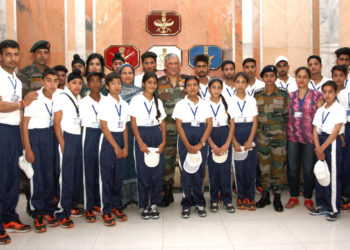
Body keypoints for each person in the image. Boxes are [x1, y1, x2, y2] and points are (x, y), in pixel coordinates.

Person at [0, 39, 37, 245]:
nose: (13, 58)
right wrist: (23, 102)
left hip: (14, 130)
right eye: (8, 54)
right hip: (2, 129)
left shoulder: (14, 78)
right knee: (2, 177)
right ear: (0, 56)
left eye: (16, 54)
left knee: (13, 177)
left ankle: (8, 217)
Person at [22, 68, 60, 232]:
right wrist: (28, 148)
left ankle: (49, 209)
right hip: (35, 136)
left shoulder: (58, 97)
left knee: (50, 174)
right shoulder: (35, 98)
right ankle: (37, 212)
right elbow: (24, 125)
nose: (52, 84)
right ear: (43, 82)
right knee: (36, 176)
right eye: (49, 80)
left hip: (49, 135)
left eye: (55, 81)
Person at [172, 76, 213, 218]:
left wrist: (201, 143)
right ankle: (186, 204)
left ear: (198, 87)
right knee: (186, 172)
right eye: (189, 85)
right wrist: (188, 145)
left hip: (201, 138)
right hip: (185, 138)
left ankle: (199, 202)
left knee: (199, 171)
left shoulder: (205, 104)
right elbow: (178, 126)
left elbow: (209, 125)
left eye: (195, 85)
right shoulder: (180, 104)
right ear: (185, 88)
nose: (192, 88)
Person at [129, 72, 167, 219]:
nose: (152, 85)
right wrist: (140, 141)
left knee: (157, 172)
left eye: (154, 83)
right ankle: (143, 205)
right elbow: (133, 123)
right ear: (143, 84)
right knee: (143, 173)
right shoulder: (136, 100)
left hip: (156, 135)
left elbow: (162, 123)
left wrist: (163, 142)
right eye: (149, 82)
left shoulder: (158, 101)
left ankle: (154, 204)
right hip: (142, 134)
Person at [285, 67, 323, 211]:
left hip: (309, 137)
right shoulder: (290, 96)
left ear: (309, 79)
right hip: (292, 136)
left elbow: (320, 117)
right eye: (299, 76)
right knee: (293, 168)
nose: (301, 79)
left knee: (308, 169)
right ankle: (293, 196)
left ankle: (308, 197)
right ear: (295, 78)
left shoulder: (316, 96)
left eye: (304, 77)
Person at [255, 65, 289, 212]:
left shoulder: (283, 94)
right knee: (264, 167)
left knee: (278, 167)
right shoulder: (257, 95)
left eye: (272, 75)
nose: (269, 78)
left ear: (275, 77)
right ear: (262, 78)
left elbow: (287, 115)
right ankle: (265, 195)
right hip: (262, 137)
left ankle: (277, 197)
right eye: (266, 76)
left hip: (279, 137)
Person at [311, 81, 346, 221]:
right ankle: (322, 204)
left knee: (332, 175)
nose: (327, 95)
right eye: (324, 92)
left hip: (332, 142)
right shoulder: (321, 110)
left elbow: (336, 130)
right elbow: (315, 129)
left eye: (330, 91)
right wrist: (317, 147)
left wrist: (322, 147)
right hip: (320, 140)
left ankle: (334, 208)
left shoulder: (339, 109)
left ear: (336, 92)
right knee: (321, 172)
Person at [53, 69, 83, 228]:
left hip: (77, 138)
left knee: (75, 174)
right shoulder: (61, 97)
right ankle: (61, 212)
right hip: (66, 138)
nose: (77, 86)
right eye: (74, 83)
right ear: (67, 83)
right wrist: (62, 143)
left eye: (79, 83)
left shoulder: (78, 98)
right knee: (65, 177)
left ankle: (71, 205)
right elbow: (56, 123)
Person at [98, 73, 129, 226]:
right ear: (107, 86)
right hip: (108, 141)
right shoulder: (104, 103)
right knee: (107, 178)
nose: (117, 86)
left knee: (118, 177)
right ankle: (107, 210)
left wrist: (125, 146)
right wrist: (116, 146)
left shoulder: (123, 103)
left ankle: (117, 206)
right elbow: (104, 126)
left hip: (120, 139)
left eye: (119, 83)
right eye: (113, 83)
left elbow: (124, 127)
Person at [157, 53, 187, 207]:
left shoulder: (188, 81)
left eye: (176, 63)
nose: (174, 66)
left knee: (186, 158)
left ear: (180, 65)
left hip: (185, 128)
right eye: (170, 63)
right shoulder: (158, 83)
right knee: (167, 161)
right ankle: (167, 191)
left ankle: (188, 192)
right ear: (165, 66)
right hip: (166, 127)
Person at [230, 72, 258, 210]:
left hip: (249, 131)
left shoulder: (252, 100)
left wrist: (250, 139)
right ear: (234, 84)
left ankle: (250, 197)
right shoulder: (229, 100)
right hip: (236, 131)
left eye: (243, 82)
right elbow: (230, 123)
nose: (240, 85)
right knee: (239, 167)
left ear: (247, 84)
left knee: (250, 167)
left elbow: (255, 121)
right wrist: (234, 141)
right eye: (238, 82)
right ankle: (241, 197)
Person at [79, 72, 104, 223]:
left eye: (98, 81)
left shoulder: (107, 100)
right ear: (87, 84)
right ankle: (88, 207)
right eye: (92, 82)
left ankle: (98, 203)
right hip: (89, 134)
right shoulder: (83, 101)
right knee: (89, 171)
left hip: (104, 132)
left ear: (102, 84)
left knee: (101, 170)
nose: (95, 84)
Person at [207, 78, 235, 213]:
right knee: (213, 171)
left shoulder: (228, 102)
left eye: (219, 87)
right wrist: (212, 145)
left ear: (222, 89)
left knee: (225, 170)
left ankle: (227, 199)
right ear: (209, 89)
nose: (216, 90)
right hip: (210, 134)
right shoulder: (204, 104)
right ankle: (213, 199)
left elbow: (232, 124)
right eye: (214, 87)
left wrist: (228, 143)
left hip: (224, 134)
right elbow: (205, 127)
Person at [118, 64, 143, 207]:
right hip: (121, 128)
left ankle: (136, 194)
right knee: (124, 160)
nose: (127, 76)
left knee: (135, 160)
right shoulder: (114, 92)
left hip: (137, 128)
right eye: (124, 73)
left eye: (130, 73)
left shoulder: (140, 92)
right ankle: (124, 196)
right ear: (119, 75)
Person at [242, 57, 264, 193]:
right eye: (247, 67)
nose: (250, 70)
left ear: (256, 68)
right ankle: (240, 183)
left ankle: (258, 182)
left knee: (257, 156)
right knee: (243, 155)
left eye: (252, 67)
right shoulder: (238, 85)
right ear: (243, 69)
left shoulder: (262, 85)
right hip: (243, 125)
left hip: (260, 124)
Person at [336, 71, 350, 211]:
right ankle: (342, 194)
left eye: (341, 75)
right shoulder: (339, 94)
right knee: (343, 163)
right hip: (342, 129)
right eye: (335, 75)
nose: (338, 78)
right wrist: (341, 133)